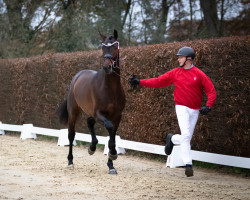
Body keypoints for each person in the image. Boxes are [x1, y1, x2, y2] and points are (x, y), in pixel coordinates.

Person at [129, 47, 216, 177]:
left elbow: (211, 91)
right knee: (186, 135)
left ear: (189, 59)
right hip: (181, 107)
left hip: (195, 110)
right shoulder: (175, 73)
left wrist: (208, 106)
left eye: (180, 57)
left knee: (186, 138)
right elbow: (158, 81)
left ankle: (172, 138)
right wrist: (140, 82)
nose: (178, 59)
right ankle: (188, 165)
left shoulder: (199, 74)